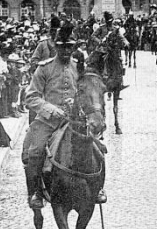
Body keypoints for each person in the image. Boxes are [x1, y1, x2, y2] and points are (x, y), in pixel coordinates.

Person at [23, 21, 106, 209]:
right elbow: (31, 97)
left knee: (99, 149)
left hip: (75, 120)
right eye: (62, 47)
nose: (66, 51)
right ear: (55, 46)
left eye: (70, 47)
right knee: (34, 152)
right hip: (48, 122)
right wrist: (52, 109)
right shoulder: (44, 68)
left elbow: (86, 90)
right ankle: (35, 193)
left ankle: (98, 187)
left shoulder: (78, 67)